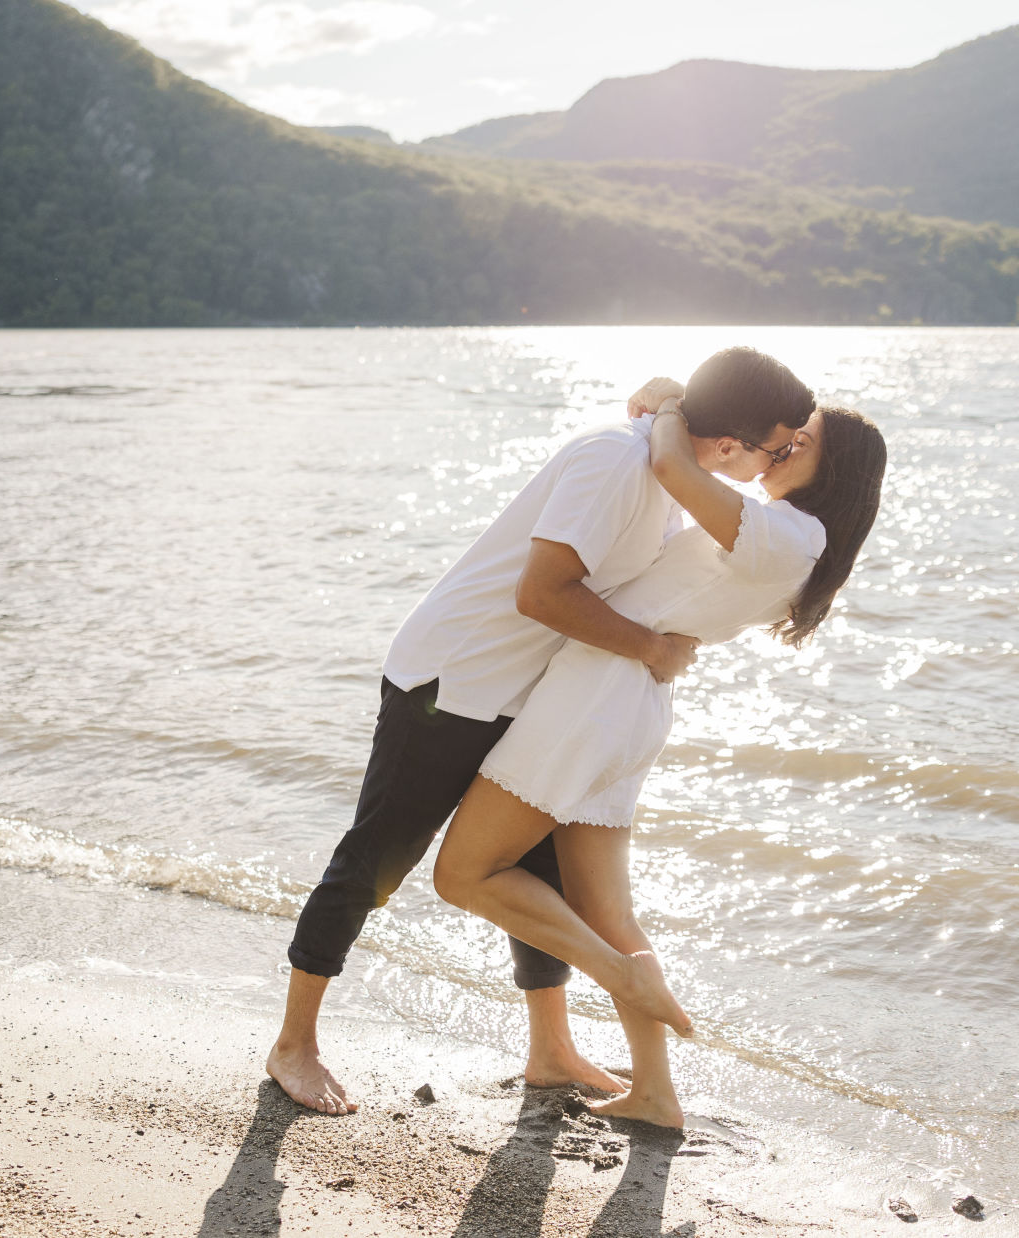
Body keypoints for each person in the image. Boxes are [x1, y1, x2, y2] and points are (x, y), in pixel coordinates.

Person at [268, 349, 817, 1115]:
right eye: (776, 447)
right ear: (730, 446)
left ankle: (550, 1050)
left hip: (523, 692)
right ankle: (294, 1045)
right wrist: (652, 650)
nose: (778, 462)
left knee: (540, 870)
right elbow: (541, 593)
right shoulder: (614, 464)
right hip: (450, 680)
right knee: (377, 860)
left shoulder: (667, 474)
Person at [433, 380, 887, 1130]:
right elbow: (687, 478)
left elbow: (678, 470)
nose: (783, 446)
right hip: (629, 702)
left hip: (594, 699)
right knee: (608, 911)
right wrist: (669, 408)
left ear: (833, 473)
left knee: (463, 874)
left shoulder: (788, 536)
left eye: (803, 443)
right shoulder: (788, 538)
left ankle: (627, 983)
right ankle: (653, 1093)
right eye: (790, 433)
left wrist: (674, 407)